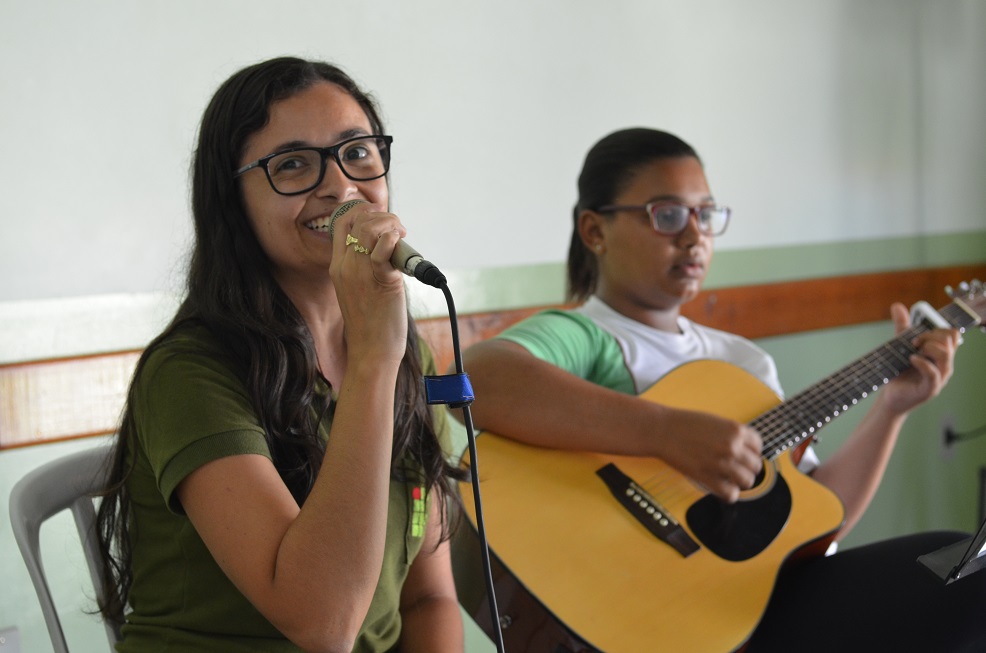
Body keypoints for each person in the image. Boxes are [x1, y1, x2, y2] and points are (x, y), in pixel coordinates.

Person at [457, 127, 986, 651]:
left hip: (740, 604)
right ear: (595, 231)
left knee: (962, 566)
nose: (694, 237)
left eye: (705, 215)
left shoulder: (742, 360)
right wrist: (665, 432)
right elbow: (477, 376)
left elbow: (816, 516)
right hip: (637, 610)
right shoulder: (588, 337)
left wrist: (893, 408)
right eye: (667, 216)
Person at [94, 57, 466, 652]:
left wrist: (378, 352)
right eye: (292, 164)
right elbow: (323, 624)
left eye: (358, 152)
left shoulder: (400, 347)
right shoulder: (191, 372)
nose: (341, 186)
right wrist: (374, 361)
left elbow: (430, 598)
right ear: (232, 202)